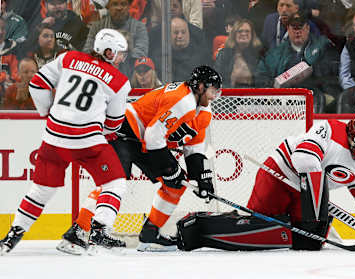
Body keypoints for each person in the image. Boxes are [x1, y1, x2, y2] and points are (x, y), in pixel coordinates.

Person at [175, 111, 355, 251]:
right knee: (256, 228)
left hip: (308, 194)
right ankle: (199, 227)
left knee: (309, 243)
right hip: (280, 175)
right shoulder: (330, 129)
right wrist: (316, 197)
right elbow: (304, 157)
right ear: (352, 129)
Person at [56, 65, 222, 254]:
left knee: (175, 186)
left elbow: (193, 150)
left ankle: (150, 235)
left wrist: (202, 180)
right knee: (113, 181)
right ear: (200, 87)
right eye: (212, 89)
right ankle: (80, 233)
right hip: (124, 130)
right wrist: (171, 169)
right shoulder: (183, 101)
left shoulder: (203, 113)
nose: (214, 95)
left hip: (142, 139)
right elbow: (153, 136)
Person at [0, 28, 131, 254]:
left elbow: (37, 84)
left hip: (53, 137)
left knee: (40, 190)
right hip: (87, 140)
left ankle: (11, 237)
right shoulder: (120, 82)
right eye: (119, 53)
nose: (121, 58)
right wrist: (103, 130)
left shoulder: (68, 58)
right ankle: (99, 232)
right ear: (108, 52)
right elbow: (114, 123)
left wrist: (47, 112)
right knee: (115, 182)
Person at [83, 0, 149, 77]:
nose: (119, 8)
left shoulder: (139, 27)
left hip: (128, 77)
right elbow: (87, 52)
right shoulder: (97, 27)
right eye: (115, 4)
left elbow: (140, 55)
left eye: (123, 4)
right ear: (108, 7)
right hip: (100, 75)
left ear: (128, 7)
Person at [214, 18, 262, 88]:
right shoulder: (224, 54)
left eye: (247, 31)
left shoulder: (259, 54)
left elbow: (263, 79)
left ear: (252, 35)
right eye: (240, 31)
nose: (243, 34)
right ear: (234, 35)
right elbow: (216, 78)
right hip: (228, 95)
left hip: (253, 95)